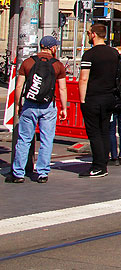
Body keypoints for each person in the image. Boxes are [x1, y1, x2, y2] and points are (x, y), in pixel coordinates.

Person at [5, 36, 68, 183]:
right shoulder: (57, 65)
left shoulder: (28, 63)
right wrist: (63, 108)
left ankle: (18, 173)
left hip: (30, 105)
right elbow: (62, 88)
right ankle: (42, 173)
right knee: (46, 140)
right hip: (48, 107)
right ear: (52, 48)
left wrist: (17, 106)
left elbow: (19, 86)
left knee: (24, 139)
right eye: (55, 47)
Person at [78, 23, 120, 178]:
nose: (88, 35)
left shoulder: (89, 55)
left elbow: (83, 79)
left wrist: (82, 100)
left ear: (93, 34)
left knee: (94, 132)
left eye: (89, 33)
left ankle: (97, 166)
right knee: (105, 131)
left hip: (93, 98)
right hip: (109, 98)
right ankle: (103, 164)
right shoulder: (114, 53)